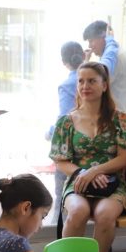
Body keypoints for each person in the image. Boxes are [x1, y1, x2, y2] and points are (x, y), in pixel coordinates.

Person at [49, 61, 126, 252]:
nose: (85, 86)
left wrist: (95, 171)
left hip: (112, 183)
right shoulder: (66, 122)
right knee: (77, 212)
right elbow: (60, 161)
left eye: (91, 81)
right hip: (78, 181)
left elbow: (123, 159)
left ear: (104, 85)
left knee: (105, 215)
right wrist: (84, 173)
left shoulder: (122, 120)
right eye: (80, 81)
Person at [47, 41, 85, 220]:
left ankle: (58, 226)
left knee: (62, 196)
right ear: (83, 55)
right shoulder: (99, 78)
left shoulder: (68, 84)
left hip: (70, 149)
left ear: (63, 62)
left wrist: (50, 132)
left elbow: (64, 119)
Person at [82, 20, 126, 116]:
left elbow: (96, 83)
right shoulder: (113, 53)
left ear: (104, 38)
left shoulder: (116, 57)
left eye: (91, 41)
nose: (89, 46)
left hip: (118, 117)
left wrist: (86, 62)